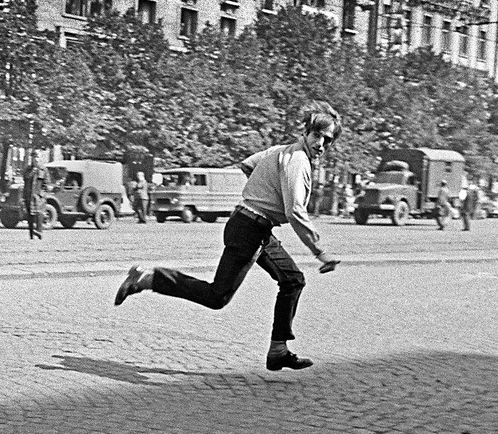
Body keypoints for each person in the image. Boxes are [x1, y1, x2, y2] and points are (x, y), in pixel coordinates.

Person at [114, 100, 344, 372]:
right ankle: (147, 278)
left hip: (257, 226)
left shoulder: (280, 151)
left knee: (292, 279)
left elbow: (249, 165)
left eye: (327, 140)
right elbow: (294, 210)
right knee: (217, 296)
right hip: (249, 228)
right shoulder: (298, 161)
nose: (321, 144)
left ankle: (278, 350)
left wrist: (263, 190)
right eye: (317, 135)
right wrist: (319, 251)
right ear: (305, 132)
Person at [22, 152, 50, 240]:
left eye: (37, 157)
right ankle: (31, 234)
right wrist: (32, 172)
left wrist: (41, 195)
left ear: (40, 158)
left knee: (39, 214)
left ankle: (39, 232)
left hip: (39, 197)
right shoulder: (28, 169)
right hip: (29, 196)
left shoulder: (43, 170)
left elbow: (46, 184)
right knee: (30, 216)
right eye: (34, 157)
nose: (36, 159)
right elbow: (25, 179)